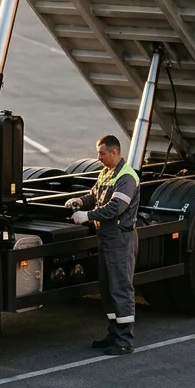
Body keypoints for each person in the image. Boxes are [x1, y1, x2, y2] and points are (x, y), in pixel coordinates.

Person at [66, 135, 141, 355]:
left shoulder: (127, 177)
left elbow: (115, 207)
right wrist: (81, 201)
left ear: (114, 152)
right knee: (107, 289)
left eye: (102, 153)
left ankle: (125, 341)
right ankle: (114, 334)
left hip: (120, 239)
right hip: (107, 238)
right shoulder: (107, 172)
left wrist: (87, 215)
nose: (98, 157)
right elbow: (95, 194)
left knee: (120, 288)